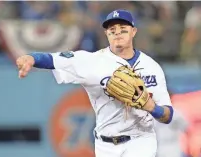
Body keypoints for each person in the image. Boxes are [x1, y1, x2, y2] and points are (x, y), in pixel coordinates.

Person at [16, 9, 174, 157]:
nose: (117, 32)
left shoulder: (151, 67)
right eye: (112, 29)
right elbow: (55, 60)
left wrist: (152, 107)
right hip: (105, 145)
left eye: (123, 28)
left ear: (133, 31)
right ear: (106, 33)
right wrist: (31, 58)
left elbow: (168, 115)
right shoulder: (92, 62)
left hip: (141, 140)